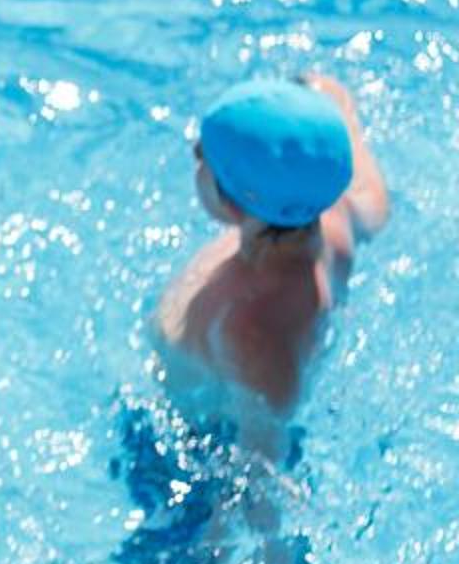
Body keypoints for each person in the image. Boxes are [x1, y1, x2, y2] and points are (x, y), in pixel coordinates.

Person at [154, 73, 391, 414]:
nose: (194, 153)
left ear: (233, 203)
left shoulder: (251, 331)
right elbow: (368, 191)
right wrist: (322, 95)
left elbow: (265, 441)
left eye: (202, 155)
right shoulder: (343, 211)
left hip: (197, 432)